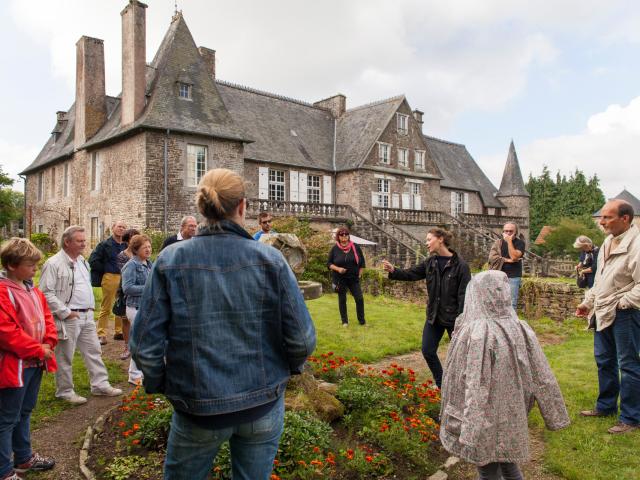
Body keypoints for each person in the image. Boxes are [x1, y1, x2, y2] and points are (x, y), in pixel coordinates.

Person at [130, 168, 316, 480]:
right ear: (242, 206)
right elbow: (301, 338)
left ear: (200, 209)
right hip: (262, 403)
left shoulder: (170, 260)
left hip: (197, 405)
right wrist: (289, 370)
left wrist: (162, 383)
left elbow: (143, 345)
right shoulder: (272, 260)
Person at [440, 270, 569, 480]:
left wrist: (469, 430)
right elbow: (542, 374)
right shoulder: (519, 327)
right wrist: (554, 414)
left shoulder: (479, 334)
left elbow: (476, 383)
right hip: (512, 412)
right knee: (508, 463)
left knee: (487, 467)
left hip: (483, 417)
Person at [576, 200, 640, 434]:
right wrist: (588, 302)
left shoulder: (638, 244)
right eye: (601, 217)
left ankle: (631, 418)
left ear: (625, 219)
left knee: (629, 364)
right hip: (602, 309)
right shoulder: (606, 243)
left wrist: (623, 304)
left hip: (626, 313)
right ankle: (606, 406)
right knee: (604, 360)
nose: (601, 222)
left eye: (607, 217)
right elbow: (601, 280)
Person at [39, 226, 123, 405]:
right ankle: (65, 391)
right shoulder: (53, 263)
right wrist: (66, 312)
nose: (84, 244)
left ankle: (100, 385)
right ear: (67, 242)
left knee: (94, 351)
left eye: (84, 240)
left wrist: (90, 308)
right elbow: (45, 293)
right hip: (68, 317)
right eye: (80, 241)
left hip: (86, 315)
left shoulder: (82, 261)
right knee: (65, 356)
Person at [382, 228, 470, 388]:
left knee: (461, 356)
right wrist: (394, 270)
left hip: (454, 320)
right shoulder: (430, 263)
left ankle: (464, 386)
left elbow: (464, 296)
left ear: (440, 239)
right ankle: (442, 384)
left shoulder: (461, 266)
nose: (426, 243)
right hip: (434, 316)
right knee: (428, 350)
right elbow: (411, 274)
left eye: (429, 239)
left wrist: (461, 322)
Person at [0, 238, 57, 480]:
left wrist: (49, 342)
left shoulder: (32, 289)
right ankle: (3, 470)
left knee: (25, 411)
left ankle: (23, 457)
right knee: (6, 418)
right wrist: (37, 349)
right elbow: (6, 332)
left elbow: (47, 318)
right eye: (30, 265)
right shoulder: (3, 292)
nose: (35, 269)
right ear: (12, 265)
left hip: (35, 363)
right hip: (15, 365)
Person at [88, 220, 127, 345]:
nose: (121, 229)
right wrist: (105, 270)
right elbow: (93, 260)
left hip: (124, 277)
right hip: (110, 277)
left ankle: (118, 331)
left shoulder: (126, 245)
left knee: (120, 305)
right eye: (119, 226)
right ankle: (101, 333)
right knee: (106, 306)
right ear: (113, 228)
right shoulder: (104, 244)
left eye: (123, 227)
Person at [120, 234, 152, 386]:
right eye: (144, 247)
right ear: (136, 249)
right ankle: (134, 375)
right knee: (139, 341)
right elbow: (127, 288)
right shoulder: (131, 265)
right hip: (135, 308)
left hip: (147, 307)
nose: (148, 249)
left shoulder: (149, 264)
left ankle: (142, 372)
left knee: (145, 342)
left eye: (149, 246)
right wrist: (149, 288)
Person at [327, 227, 366, 327]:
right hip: (340, 279)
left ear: (348, 236)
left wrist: (360, 274)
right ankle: (345, 321)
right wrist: (338, 269)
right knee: (342, 299)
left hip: (353, 278)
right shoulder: (334, 249)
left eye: (346, 234)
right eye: (341, 235)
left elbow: (362, 262)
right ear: (338, 237)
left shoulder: (355, 247)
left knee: (359, 298)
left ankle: (362, 321)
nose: (344, 236)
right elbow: (329, 263)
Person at [115, 228, 140, 360]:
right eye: (132, 237)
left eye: (136, 236)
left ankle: (137, 345)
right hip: (125, 290)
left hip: (139, 292)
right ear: (127, 240)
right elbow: (125, 275)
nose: (134, 239)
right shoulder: (122, 256)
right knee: (125, 320)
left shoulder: (143, 255)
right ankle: (127, 346)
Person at [488, 222, 525, 310]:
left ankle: (512, 323)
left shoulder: (520, 243)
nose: (508, 233)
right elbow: (492, 258)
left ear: (515, 232)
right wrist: (507, 260)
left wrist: (509, 241)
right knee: (497, 302)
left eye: (511, 231)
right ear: (502, 232)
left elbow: (514, 256)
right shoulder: (498, 243)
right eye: (506, 231)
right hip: (498, 275)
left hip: (513, 276)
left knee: (512, 303)